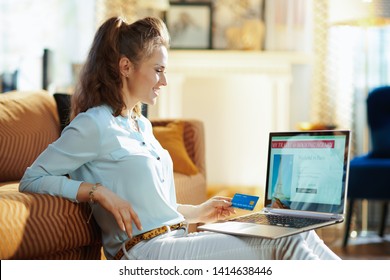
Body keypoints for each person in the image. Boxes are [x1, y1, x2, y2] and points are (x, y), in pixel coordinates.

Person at [19, 16, 340, 260]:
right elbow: (33, 178)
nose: (164, 81)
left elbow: (159, 210)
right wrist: (96, 191)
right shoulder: (93, 125)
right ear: (126, 67)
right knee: (286, 240)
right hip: (146, 254)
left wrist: (199, 211)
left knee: (297, 232)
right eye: (158, 70)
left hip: (177, 240)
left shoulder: (141, 126)